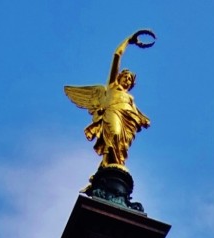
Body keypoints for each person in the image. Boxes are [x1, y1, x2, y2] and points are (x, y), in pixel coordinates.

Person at [64, 33, 152, 168]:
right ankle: (108, 162)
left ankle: (111, 163)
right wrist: (128, 40)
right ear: (119, 77)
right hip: (113, 112)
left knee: (122, 146)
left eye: (130, 80)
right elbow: (117, 55)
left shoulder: (130, 98)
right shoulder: (111, 86)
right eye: (125, 77)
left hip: (129, 121)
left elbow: (136, 111)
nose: (127, 80)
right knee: (114, 134)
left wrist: (143, 118)